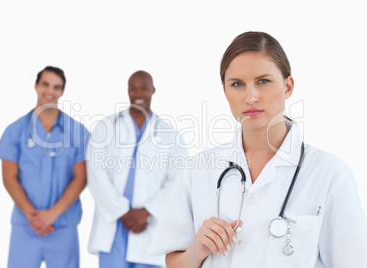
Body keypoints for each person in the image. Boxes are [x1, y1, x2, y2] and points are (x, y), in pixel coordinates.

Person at [149, 32, 367, 267]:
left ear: (288, 86)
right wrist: (196, 251)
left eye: (263, 81)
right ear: (225, 91)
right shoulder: (199, 169)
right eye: (237, 84)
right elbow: (173, 260)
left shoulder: (330, 174)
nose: (250, 97)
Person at [86, 70, 188, 268]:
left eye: (144, 88)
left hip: (149, 225)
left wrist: (147, 211)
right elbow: (95, 172)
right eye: (133, 88)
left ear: (153, 90)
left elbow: (177, 180)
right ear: (127, 91)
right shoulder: (105, 127)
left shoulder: (170, 134)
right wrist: (122, 211)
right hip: (114, 223)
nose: (138, 93)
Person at [0, 66, 89, 268]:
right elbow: (9, 178)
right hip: (26, 225)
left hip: (63, 225)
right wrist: (33, 216)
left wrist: (52, 215)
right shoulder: (15, 131)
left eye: (57, 87)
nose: (50, 91)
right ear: (36, 86)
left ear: (62, 91)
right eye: (45, 84)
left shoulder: (78, 132)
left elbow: (81, 177)